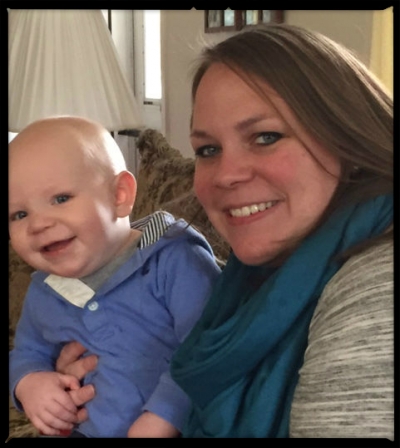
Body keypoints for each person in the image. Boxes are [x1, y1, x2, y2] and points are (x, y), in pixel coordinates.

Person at [55, 24, 393, 438]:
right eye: (208, 150)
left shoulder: (376, 286)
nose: (226, 174)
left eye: (266, 137)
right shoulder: (244, 282)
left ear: (347, 134)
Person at [8, 116, 221, 438]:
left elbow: (206, 345)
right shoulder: (44, 289)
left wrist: (163, 417)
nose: (38, 224)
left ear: (119, 195)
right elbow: (26, 353)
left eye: (61, 199)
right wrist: (30, 383)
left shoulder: (174, 259)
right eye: (19, 214)